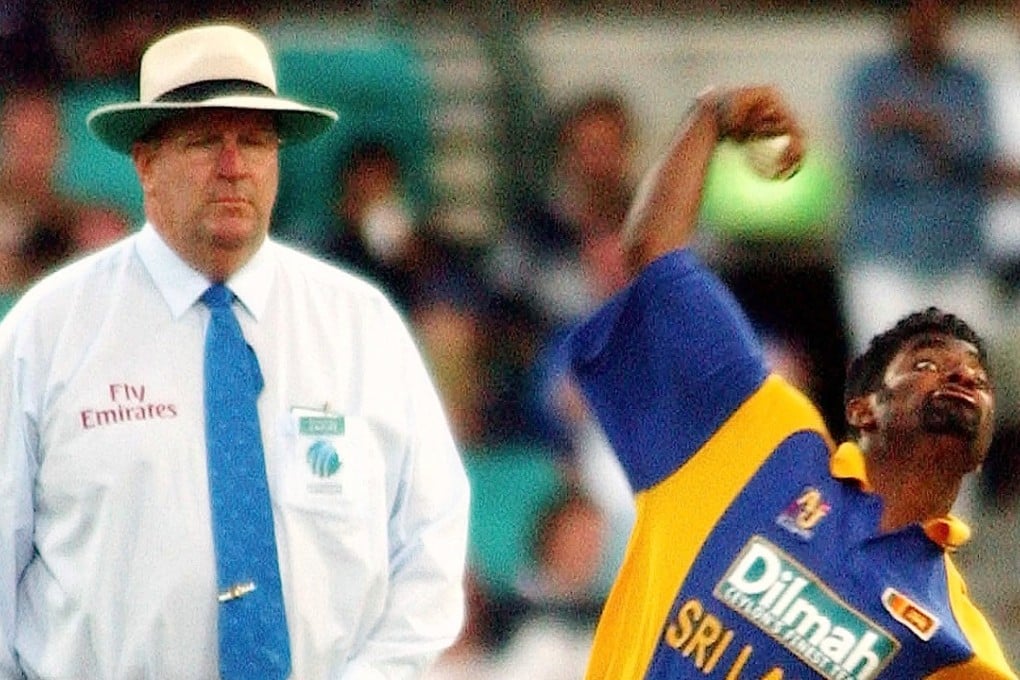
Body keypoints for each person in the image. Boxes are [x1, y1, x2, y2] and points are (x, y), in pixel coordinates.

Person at [0, 22, 470, 679]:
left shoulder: (360, 326)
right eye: (203, 141)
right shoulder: (48, 332)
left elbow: (430, 543)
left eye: (254, 140)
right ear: (145, 162)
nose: (233, 166)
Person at [564, 85, 1017, 677]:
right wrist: (709, 115)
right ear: (861, 409)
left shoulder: (962, 650)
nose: (960, 375)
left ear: (982, 452)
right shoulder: (763, 435)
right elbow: (655, 254)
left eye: (978, 379)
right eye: (927, 363)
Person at [840, 0, 998, 353]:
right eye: (918, 12)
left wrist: (909, 121)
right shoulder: (868, 80)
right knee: (889, 374)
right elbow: (867, 158)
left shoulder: (969, 82)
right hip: (885, 255)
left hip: (958, 256)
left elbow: (978, 151)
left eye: (938, 12)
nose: (928, 22)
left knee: (960, 379)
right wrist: (941, 146)